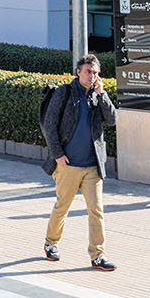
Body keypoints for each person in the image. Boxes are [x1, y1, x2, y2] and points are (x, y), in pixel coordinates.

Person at [40, 53, 118, 270]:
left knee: (96, 210)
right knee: (62, 207)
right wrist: (57, 154)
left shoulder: (97, 95)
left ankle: (98, 255)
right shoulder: (65, 92)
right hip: (68, 165)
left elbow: (113, 120)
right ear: (78, 72)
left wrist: (102, 95)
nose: (92, 76)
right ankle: (51, 242)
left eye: (95, 73)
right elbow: (49, 125)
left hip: (92, 166)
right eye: (88, 72)